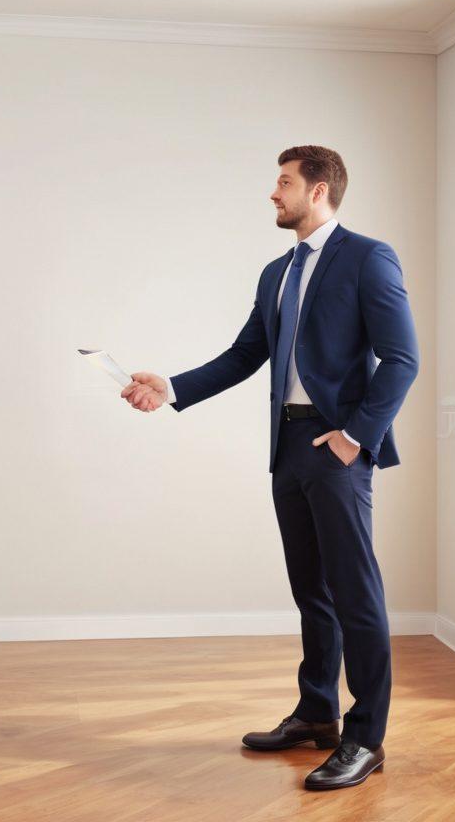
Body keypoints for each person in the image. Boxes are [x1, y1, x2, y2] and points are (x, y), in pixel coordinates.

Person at [121, 145, 419, 791]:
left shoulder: (368, 257)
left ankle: (366, 737)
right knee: (311, 588)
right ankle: (318, 713)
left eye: (283, 182)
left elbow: (402, 359)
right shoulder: (275, 272)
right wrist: (168, 387)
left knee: (355, 593)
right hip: (287, 447)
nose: (273, 193)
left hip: (335, 449)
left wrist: (354, 438)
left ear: (318, 191)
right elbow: (244, 354)